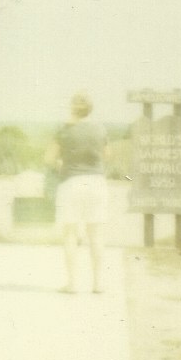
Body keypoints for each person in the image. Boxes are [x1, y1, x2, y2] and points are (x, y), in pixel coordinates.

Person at [44, 92, 109, 293]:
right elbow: (108, 155)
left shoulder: (64, 130)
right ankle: (98, 284)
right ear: (91, 108)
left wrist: (60, 164)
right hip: (96, 183)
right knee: (96, 235)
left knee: (70, 235)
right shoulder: (100, 129)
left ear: (72, 109)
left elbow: (48, 159)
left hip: (71, 183)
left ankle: (72, 284)